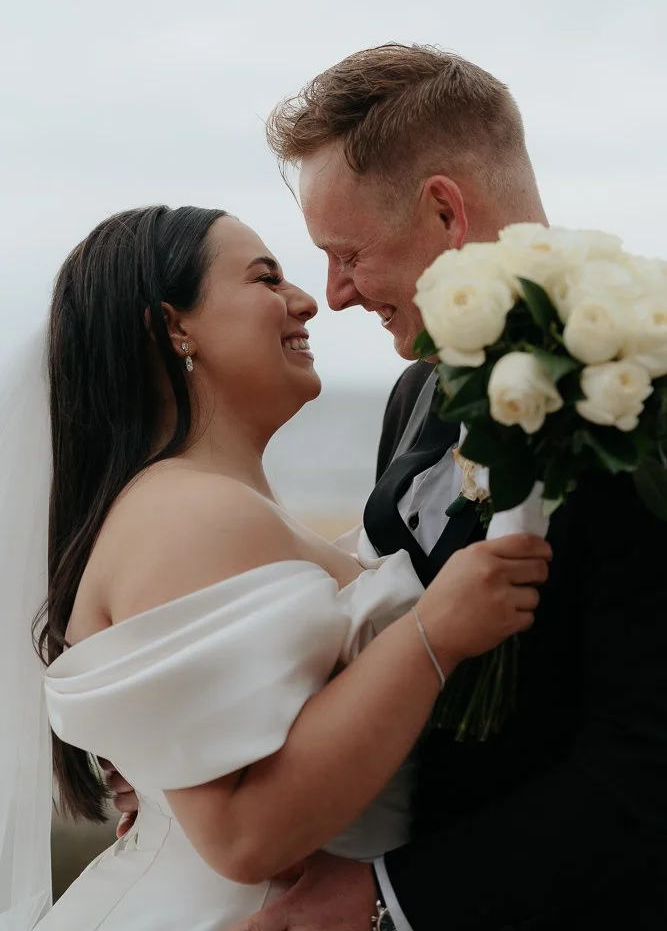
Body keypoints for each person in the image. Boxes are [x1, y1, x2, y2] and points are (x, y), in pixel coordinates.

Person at [3, 205, 549, 931]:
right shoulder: (189, 514)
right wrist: (434, 634)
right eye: (266, 278)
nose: (306, 301)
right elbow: (241, 835)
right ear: (174, 327)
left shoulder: (219, 504)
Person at [224, 44, 667, 930]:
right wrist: (198, 752)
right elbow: (372, 643)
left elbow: (646, 761)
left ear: (442, 210)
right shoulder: (416, 390)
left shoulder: (640, 406)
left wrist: (391, 900)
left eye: (346, 253)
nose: (336, 295)